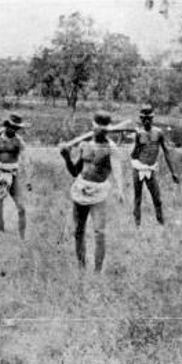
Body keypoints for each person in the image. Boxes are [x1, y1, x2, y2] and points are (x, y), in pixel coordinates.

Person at [59, 111, 125, 273]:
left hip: (99, 193)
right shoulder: (84, 144)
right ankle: (81, 268)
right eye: (98, 127)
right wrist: (66, 157)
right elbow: (75, 172)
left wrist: (119, 188)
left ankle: (97, 271)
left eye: (105, 128)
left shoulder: (111, 148)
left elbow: (117, 169)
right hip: (80, 190)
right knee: (78, 231)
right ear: (93, 126)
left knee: (99, 232)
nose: (101, 131)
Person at [130, 104, 179, 226]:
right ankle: (137, 226)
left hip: (150, 169)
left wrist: (173, 172)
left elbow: (166, 151)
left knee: (157, 198)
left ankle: (161, 223)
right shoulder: (139, 134)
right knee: (137, 199)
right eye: (144, 118)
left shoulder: (158, 133)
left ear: (152, 119)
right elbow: (133, 156)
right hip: (139, 168)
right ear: (141, 119)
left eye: (149, 118)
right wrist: (138, 143)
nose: (146, 121)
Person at [0, 113, 31, 240]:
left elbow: (25, 160)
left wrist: (28, 179)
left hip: (14, 174)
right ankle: (1, 234)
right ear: (6, 125)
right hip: (0, 173)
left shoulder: (18, 141)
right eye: (11, 126)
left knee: (21, 207)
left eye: (15, 128)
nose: (13, 130)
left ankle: (22, 237)